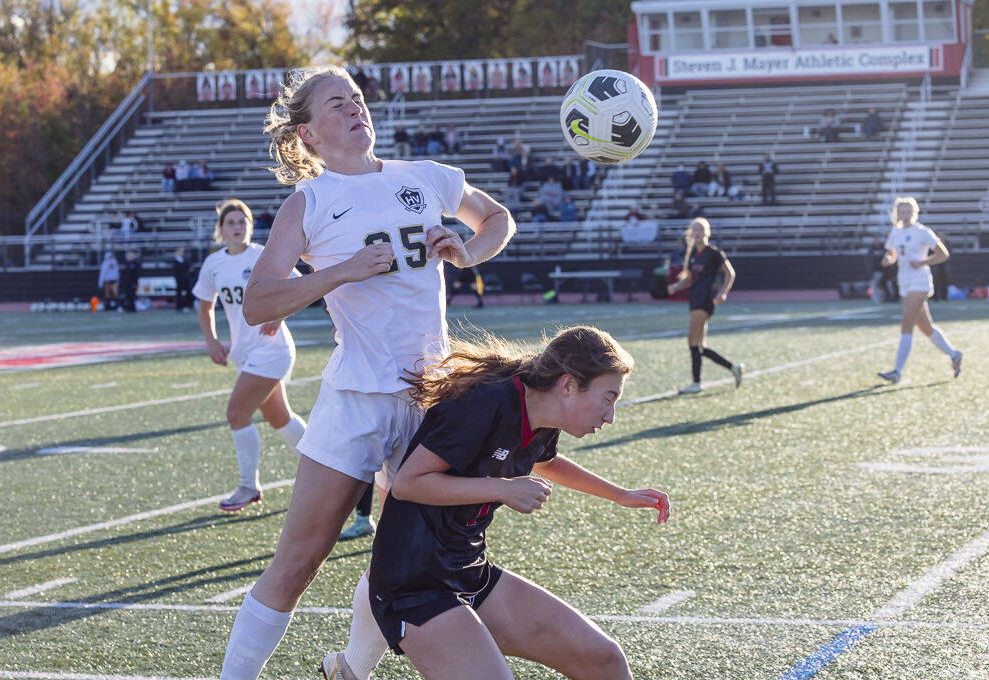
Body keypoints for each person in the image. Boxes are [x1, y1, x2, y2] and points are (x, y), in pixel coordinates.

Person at [218, 65, 515, 680]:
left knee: (411, 559)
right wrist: (337, 273)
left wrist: (467, 250)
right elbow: (258, 301)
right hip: (358, 398)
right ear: (308, 135)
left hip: (433, 398)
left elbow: (497, 220)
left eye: (357, 99)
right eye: (337, 105)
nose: (356, 109)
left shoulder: (425, 177)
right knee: (299, 561)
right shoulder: (308, 201)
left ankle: (350, 668)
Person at [367, 325, 670, 680]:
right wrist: (503, 488)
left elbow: (545, 460)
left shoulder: (545, 416)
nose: (610, 415)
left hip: (469, 572)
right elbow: (408, 484)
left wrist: (620, 494)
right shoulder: (485, 403)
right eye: (608, 398)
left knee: (604, 660)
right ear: (568, 385)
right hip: (414, 585)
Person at [193, 199, 307, 513]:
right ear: (221, 230)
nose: (237, 227)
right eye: (231, 222)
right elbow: (204, 304)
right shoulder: (213, 263)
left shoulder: (261, 254)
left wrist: (279, 315)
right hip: (243, 352)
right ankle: (327, 472)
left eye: (243, 222)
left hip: (272, 349)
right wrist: (212, 341)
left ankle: (248, 486)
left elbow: (300, 284)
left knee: (236, 413)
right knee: (279, 418)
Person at [876, 197, 962, 384]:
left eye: (908, 212)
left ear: (914, 213)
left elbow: (943, 254)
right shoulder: (896, 232)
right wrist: (888, 259)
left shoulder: (922, 232)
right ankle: (954, 354)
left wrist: (922, 262)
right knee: (925, 327)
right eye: (902, 212)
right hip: (904, 282)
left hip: (920, 281)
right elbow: (892, 252)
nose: (904, 215)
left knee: (906, 325)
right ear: (897, 214)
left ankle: (897, 372)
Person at [666, 218, 743, 394]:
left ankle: (696, 382)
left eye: (700, 229)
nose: (697, 232)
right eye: (694, 229)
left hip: (705, 300)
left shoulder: (714, 253)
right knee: (699, 345)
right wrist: (675, 287)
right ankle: (733, 367)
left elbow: (730, 273)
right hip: (695, 299)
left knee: (692, 342)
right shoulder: (693, 253)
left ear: (707, 232)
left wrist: (723, 292)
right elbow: (689, 279)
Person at [172, 246, 195, 311]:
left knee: (189, 292)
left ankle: (186, 305)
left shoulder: (185, 259)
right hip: (179, 279)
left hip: (186, 279)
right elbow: (177, 269)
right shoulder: (175, 260)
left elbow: (190, 268)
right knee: (179, 293)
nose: (182, 253)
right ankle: (179, 306)